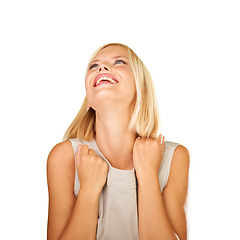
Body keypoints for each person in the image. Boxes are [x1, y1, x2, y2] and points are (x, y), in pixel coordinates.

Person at [46, 43, 190, 240]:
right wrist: (88, 191)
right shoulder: (64, 158)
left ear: (141, 89)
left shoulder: (175, 158)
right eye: (94, 66)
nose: (102, 68)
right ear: (89, 100)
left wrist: (148, 175)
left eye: (119, 62)